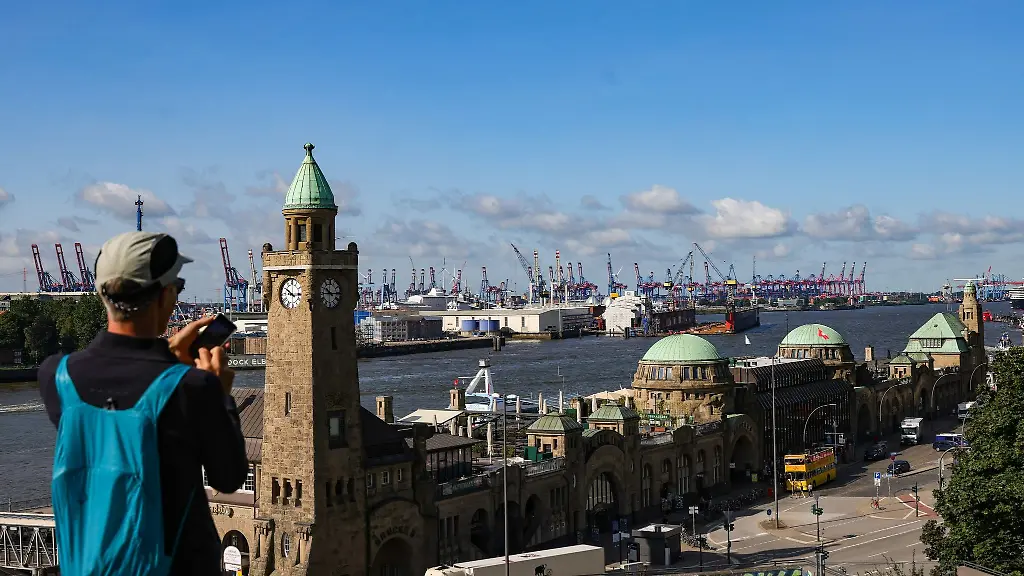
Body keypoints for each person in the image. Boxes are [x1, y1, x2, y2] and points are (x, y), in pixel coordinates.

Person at [39, 231, 249, 574]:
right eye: (178, 288)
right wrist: (220, 393)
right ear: (166, 296)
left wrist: (166, 359)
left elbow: (119, 393)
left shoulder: (56, 378)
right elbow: (228, 477)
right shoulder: (193, 388)